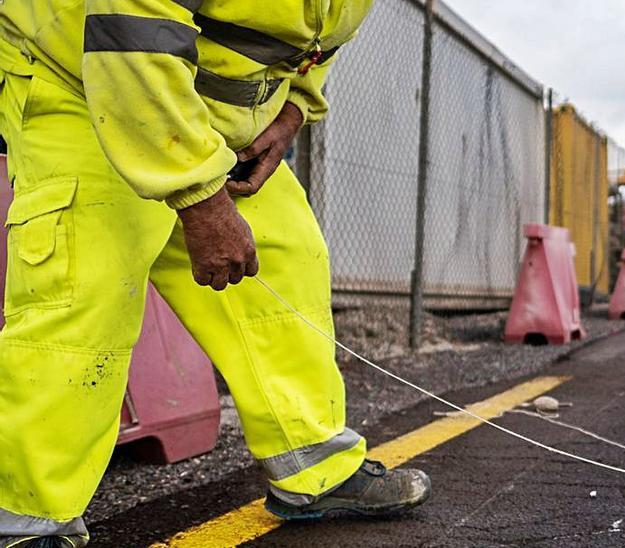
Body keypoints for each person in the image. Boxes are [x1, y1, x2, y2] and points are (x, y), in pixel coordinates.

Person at [0, 3, 430, 546]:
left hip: (205, 109)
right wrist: (200, 198)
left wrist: (293, 108)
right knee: (86, 284)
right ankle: (26, 517)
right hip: (83, 72)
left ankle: (315, 467)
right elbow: (131, 32)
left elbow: (319, 38)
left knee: (285, 256)